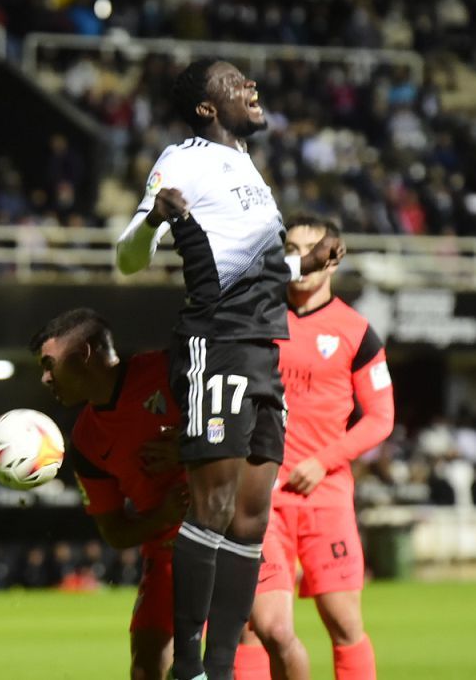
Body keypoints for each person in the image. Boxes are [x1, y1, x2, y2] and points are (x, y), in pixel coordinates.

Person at [116, 59, 343, 680]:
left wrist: (305, 267)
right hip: (215, 343)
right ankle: (188, 666)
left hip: (263, 348)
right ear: (206, 108)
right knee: (211, 504)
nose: (251, 86)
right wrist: (158, 218)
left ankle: (219, 669)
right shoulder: (182, 157)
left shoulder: (246, 166)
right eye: (234, 81)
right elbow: (127, 257)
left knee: (250, 516)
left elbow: (258, 273)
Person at [235, 214, 395, 680]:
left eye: (309, 248)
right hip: (259, 495)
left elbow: (381, 417)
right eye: (290, 248)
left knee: (344, 622)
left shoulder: (357, 332)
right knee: (256, 626)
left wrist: (323, 463)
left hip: (325, 496)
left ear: (334, 257)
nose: (299, 259)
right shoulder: (256, 319)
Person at [30, 308, 190, 680]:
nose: (45, 378)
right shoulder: (85, 442)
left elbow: (245, 422)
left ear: (84, 355)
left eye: (50, 365)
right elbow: (114, 531)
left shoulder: (172, 370)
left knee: (258, 639)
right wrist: (161, 517)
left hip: (228, 532)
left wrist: (193, 446)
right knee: (146, 667)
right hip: (166, 553)